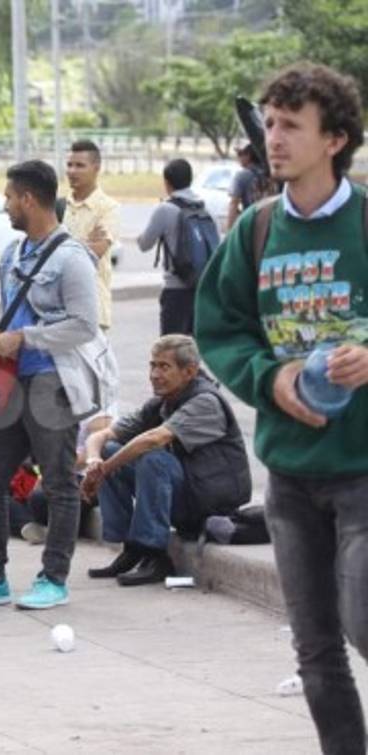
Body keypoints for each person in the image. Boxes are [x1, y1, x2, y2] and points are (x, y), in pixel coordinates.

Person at [195, 63, 368, 755]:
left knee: (363, 620)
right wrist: (269, 377)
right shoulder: (257, 231)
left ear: (336, 139)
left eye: (292, 124)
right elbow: (221, 327)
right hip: (290, 477)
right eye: (269, 122)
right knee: (317, 651)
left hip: (363, 470)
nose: (274, 138)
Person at [0, 160, 107, 612]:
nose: (5, 205)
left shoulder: (72, 258)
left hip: (52, 380)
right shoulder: (13, 254)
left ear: (29, 199)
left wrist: (27, 338)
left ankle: (54, 578)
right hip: (9, 387)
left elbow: (84, 325)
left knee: (57, 481)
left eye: (10, 197)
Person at [81, 335, 251, 586]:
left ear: (189, 371)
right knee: (111, 449)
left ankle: (155, 555)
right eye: (153, 365)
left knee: (153, 458)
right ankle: (132, 548)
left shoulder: (206, 402)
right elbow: (100, 436)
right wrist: (94, 462)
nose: (154, 374)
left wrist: (103, 471)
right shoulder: (162, 403)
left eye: (164, 367)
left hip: (209, 502)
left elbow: (153, 439)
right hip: (186, 489)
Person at [136, 159, 207, 335]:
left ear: (167, 183)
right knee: (192, 348)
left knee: (170, 347)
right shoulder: (203, 208)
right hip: (200, 287)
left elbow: (145, 244)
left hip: (175, 289)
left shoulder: (165, 209)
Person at [63, 139, 119, 331]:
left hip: (92, 312)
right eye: (69, 165)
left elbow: (93, 254)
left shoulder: (108, 208)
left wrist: (63, 248)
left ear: (96, 168)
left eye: (80, 165)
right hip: (59, 311)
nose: (72, 171)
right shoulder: (60, 206)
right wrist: (82, 244)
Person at [227, 144, 270, 228]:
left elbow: (233, 204)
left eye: (240, 154)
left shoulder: (242, 176)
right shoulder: (271, 175)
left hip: (251, 226)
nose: (238, 158)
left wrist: (229, 234)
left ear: (248, 156)